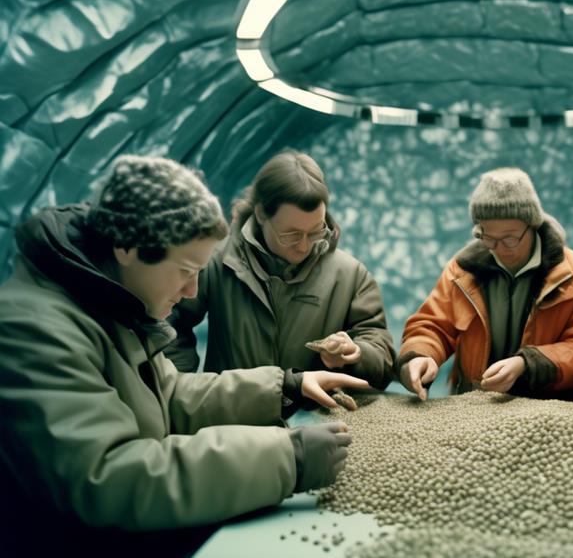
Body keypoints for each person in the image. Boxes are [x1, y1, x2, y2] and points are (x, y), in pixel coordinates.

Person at [0, 156, 369, 555]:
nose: (193, 291)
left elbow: (170, 396)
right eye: (186, 269)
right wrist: (287, 457)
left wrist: (287, 386)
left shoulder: (109, 305)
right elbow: (106, 477)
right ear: (128, 247)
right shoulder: (32, 330)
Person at [166, 151, 395, 389]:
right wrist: (182, 386)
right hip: (232, 419)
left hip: (316, 420)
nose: (304, 246)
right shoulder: (215, 261)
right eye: (291, 235)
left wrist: (356, 353)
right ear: (261, 213)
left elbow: (383, 358)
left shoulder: (351, 276)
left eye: (316, 231)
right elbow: (168, 321)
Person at [398, 167, 573, 401]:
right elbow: (433, 325)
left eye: (510, 238)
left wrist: (527, 364)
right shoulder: (461, 270)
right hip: (474, 406)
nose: (499, 248)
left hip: (553, 410)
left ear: (532, 224)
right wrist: (421, 356)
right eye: (488, 237)